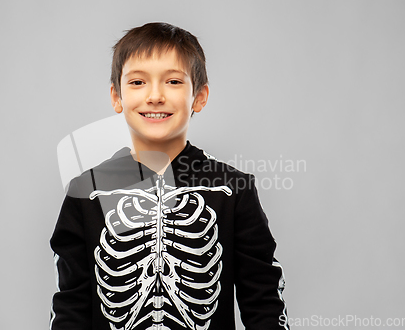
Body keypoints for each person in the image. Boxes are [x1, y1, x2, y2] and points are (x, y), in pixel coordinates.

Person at [49, 22, 289, 330]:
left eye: (173, 81)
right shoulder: (87, 191)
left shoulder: (232, 188)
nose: (155, 96)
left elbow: (264, 305)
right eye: (137, 82)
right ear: (116, 97)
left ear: (199, 97)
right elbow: (71, 306)